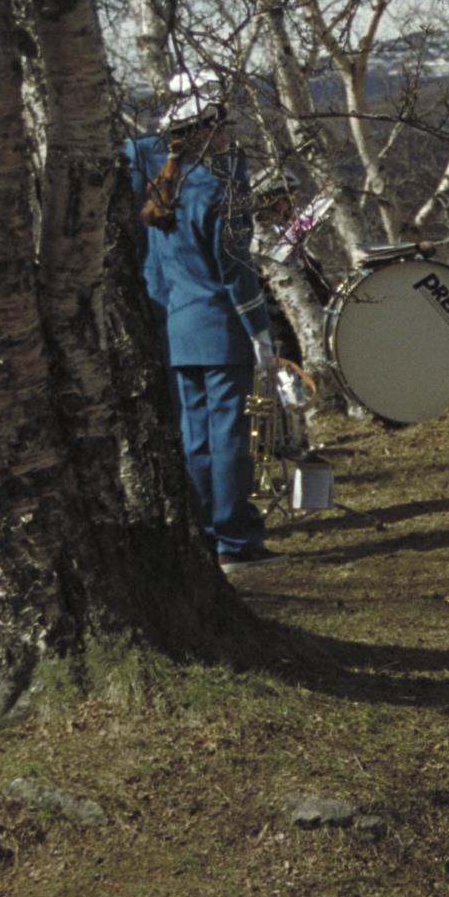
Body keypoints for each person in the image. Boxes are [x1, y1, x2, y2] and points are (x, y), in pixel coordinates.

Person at [124, 70, 267, 566]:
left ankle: (206, 533)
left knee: (196, 438)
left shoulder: (163, 189)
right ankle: (235, 539)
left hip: (177, 328)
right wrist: (260, 331)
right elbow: (237, 270)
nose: (226, 135)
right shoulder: (219, 190)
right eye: (219, 126)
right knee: (229, 439)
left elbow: (136, 148)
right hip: (220, 328)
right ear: (204, 132)